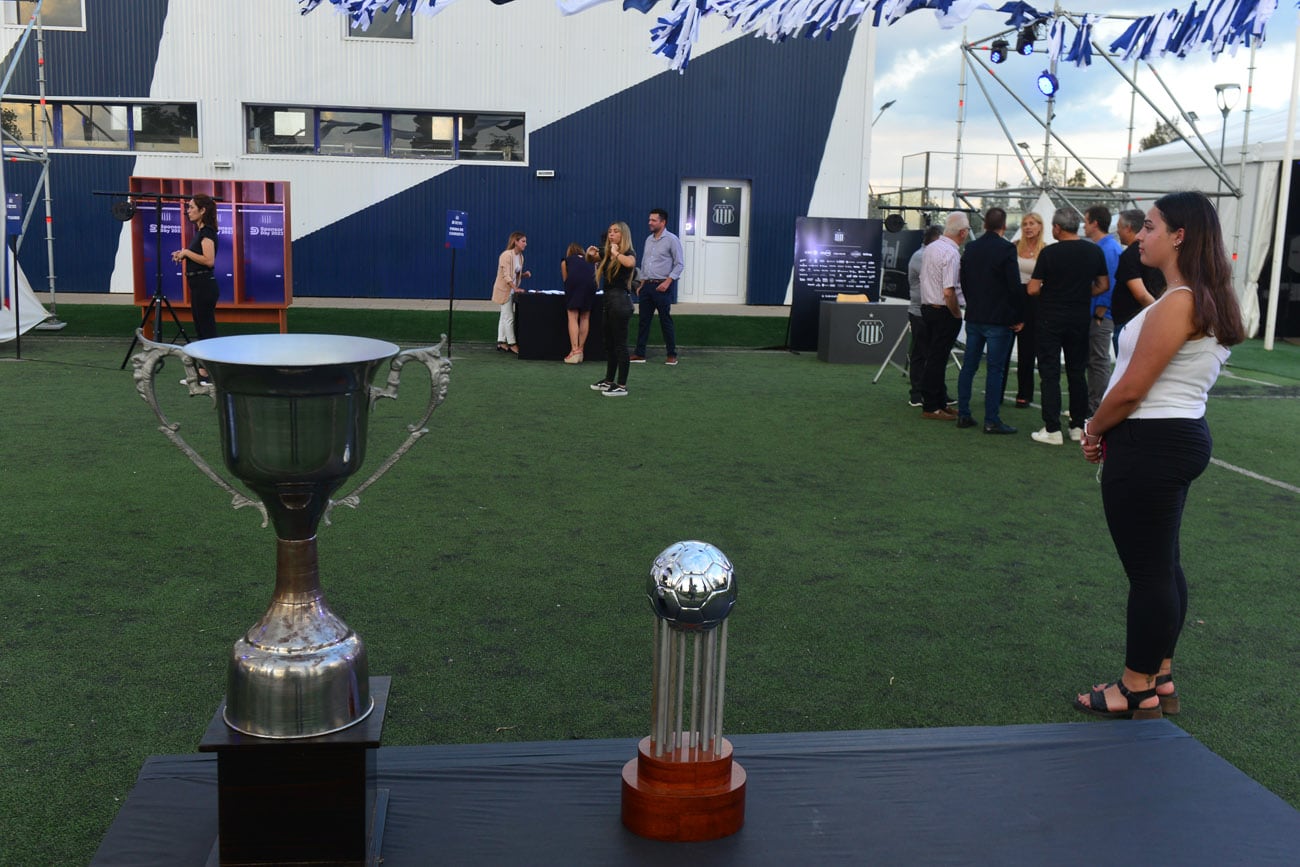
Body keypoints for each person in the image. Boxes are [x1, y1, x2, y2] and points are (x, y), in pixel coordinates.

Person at [1074, 190, 1244, 719]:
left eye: (1149, 226)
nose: (1140, 235)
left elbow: (1130, 389)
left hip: (1151, 441)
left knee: (1150, 573)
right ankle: (1159, 677)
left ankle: (1135, 688)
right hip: (1175, 436)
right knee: (1163, 565)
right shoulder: (1203, 297)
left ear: (1179, 236)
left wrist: (1093, 429)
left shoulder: (1181, 301)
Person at [1027, 208, 1108, 445]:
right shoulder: (1094, 251)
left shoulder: (1049, 253)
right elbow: (1103, 284)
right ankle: (1076, 426)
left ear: (1057, 228)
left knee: (1050, 372)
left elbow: (1032, 288)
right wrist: (1083, 293)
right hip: (1079, 318)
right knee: (1077, 372)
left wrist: (1050, 294)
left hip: (1050, 318)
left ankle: (1052, 429)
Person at [955, 208, 1021, 435]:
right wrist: (1017, 316)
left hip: (975, 316)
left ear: (984, 225)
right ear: (1003, 226)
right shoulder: (1007, 249)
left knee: (969, 367)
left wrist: (972, 302)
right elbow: (1014, 285)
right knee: (995, 369)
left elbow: (963, 280)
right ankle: (991, 420)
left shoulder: (971, 248)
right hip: (998, 319)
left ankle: (963, 414)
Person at [917, 211, 969, 420]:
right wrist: (956, 314)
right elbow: (949, 291)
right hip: (944, 311)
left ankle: (938, 402)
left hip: (927, 308)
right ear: (963, 233)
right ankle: (932, 405)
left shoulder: (931, 248)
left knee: (934, 357)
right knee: (938, 359)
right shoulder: (952, 254)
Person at [171, 193, 219, 384]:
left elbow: (209, 260)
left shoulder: (207, 232)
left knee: (207, 331)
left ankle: (210, 373)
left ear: (202, 211)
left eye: (191, 207)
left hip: (205, 286)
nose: (188, 211)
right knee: (202, 330)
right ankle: (204, 372)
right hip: (198, 285)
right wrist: (183, 254)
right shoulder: (200, 233)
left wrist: (187, 252)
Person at [631, 208, 685, 365]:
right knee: (643, 321)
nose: (650, 223)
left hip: (662, 287)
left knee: (665, 321)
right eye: (649, 220)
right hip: (647, 286)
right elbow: (644, 263)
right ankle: (640, 354)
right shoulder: (649, 240)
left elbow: (679, 264)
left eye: (653, 220)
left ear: (663, 222)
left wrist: (667, 282)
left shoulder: (672, 240)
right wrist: (641, 284)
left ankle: (671, 354)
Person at [590, 222, 636, 397]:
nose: (611, 234)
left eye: (616, 232)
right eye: (610, 231)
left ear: (623, 235)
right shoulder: (606, 253)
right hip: (608, 301)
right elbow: (591, 259)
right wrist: (590, 253)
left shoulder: (627, 253)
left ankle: (621, 386)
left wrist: (616, 253)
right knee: (609, 344)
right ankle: (609, 381)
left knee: (620, 345)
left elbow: (630, 263)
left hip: (620, 303)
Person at [1083, 205, 1122, 414]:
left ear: (1095, 223)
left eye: (1086, 220)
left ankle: (1096, 407)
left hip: (1100, 314)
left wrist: (1100, 310)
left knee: (1098, 361)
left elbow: (1110, 282)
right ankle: (1091, 403)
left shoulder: (1107, 249)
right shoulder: (1104, 247)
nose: (1084, 225)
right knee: (1093, 360)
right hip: (1096, 312)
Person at [1111, 207, 1166, 348]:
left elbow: (1141, 294)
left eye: (1119, 228)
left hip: (1131, 322)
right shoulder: (1154, 253)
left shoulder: (1129, 256)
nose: (1117, 232)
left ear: (1128, 228)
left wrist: (1157, 316)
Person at [1012, 211, 1047, 409]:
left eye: (1032, 223)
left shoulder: (1046, 249)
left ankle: (1025, 393)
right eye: (1025, 223)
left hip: (1036, 301)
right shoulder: (1015, 246)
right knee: (1012, 346)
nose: (1028, 227)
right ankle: (1009, 393)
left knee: (1030, 348)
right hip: (1015, 298)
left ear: (1040, 226)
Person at [907, 225, 944, 407]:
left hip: (931, 311)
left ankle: (935, 392)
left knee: (933, 354)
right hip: (920, 312)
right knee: (921, 353)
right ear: (935, 240)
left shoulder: (927, 255)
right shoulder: (921, 257)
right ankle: (916, 393)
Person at [492, 232, 530, 355]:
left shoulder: (520, 257)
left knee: (504, 316)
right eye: (523, 241)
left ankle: (501, 342)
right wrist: (515, 288)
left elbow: (515, 274)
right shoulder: (506, 255)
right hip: (504, 290)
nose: (525, 244)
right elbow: (506, 276)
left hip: (511, 289)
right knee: (508, 317)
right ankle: (512, 344)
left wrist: (524, 275)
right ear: (516, 242)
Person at [561, 242, 598, 364]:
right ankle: (581, 350)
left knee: (572, 315)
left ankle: (574, 350)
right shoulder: (591, 261)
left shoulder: (566, 261)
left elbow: (566, 280)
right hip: (591, 286)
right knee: (585, 316)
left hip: (574, 285)